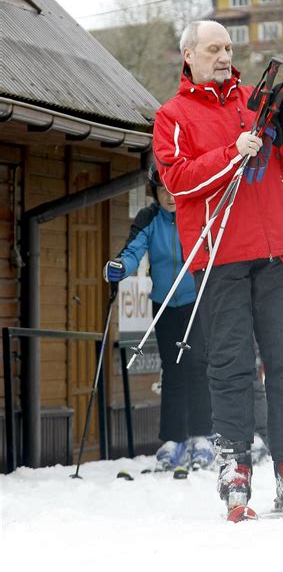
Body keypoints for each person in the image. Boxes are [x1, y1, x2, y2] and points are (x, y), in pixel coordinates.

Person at [153, 20, 283, 513]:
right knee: (230, 362)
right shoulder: (173, 115)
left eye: (228, 47)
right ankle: (235, 459)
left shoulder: (255, 98)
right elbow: (178, 181)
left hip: (274, 247)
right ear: (189, 56)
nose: (224, 55)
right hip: (220, 253)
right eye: (213, 48)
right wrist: (231, 153)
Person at [104, 164, 214, 473]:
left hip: (195, 301)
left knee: (196, 366)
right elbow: (133, 251)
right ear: (155, 192)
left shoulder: (196, 214)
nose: (169, 196)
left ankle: (202, 436)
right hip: (164, 305)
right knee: (173, 369)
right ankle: (172, 439)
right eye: (162, 189)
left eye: (174, 188)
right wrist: (119, 268)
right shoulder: (149, 218)